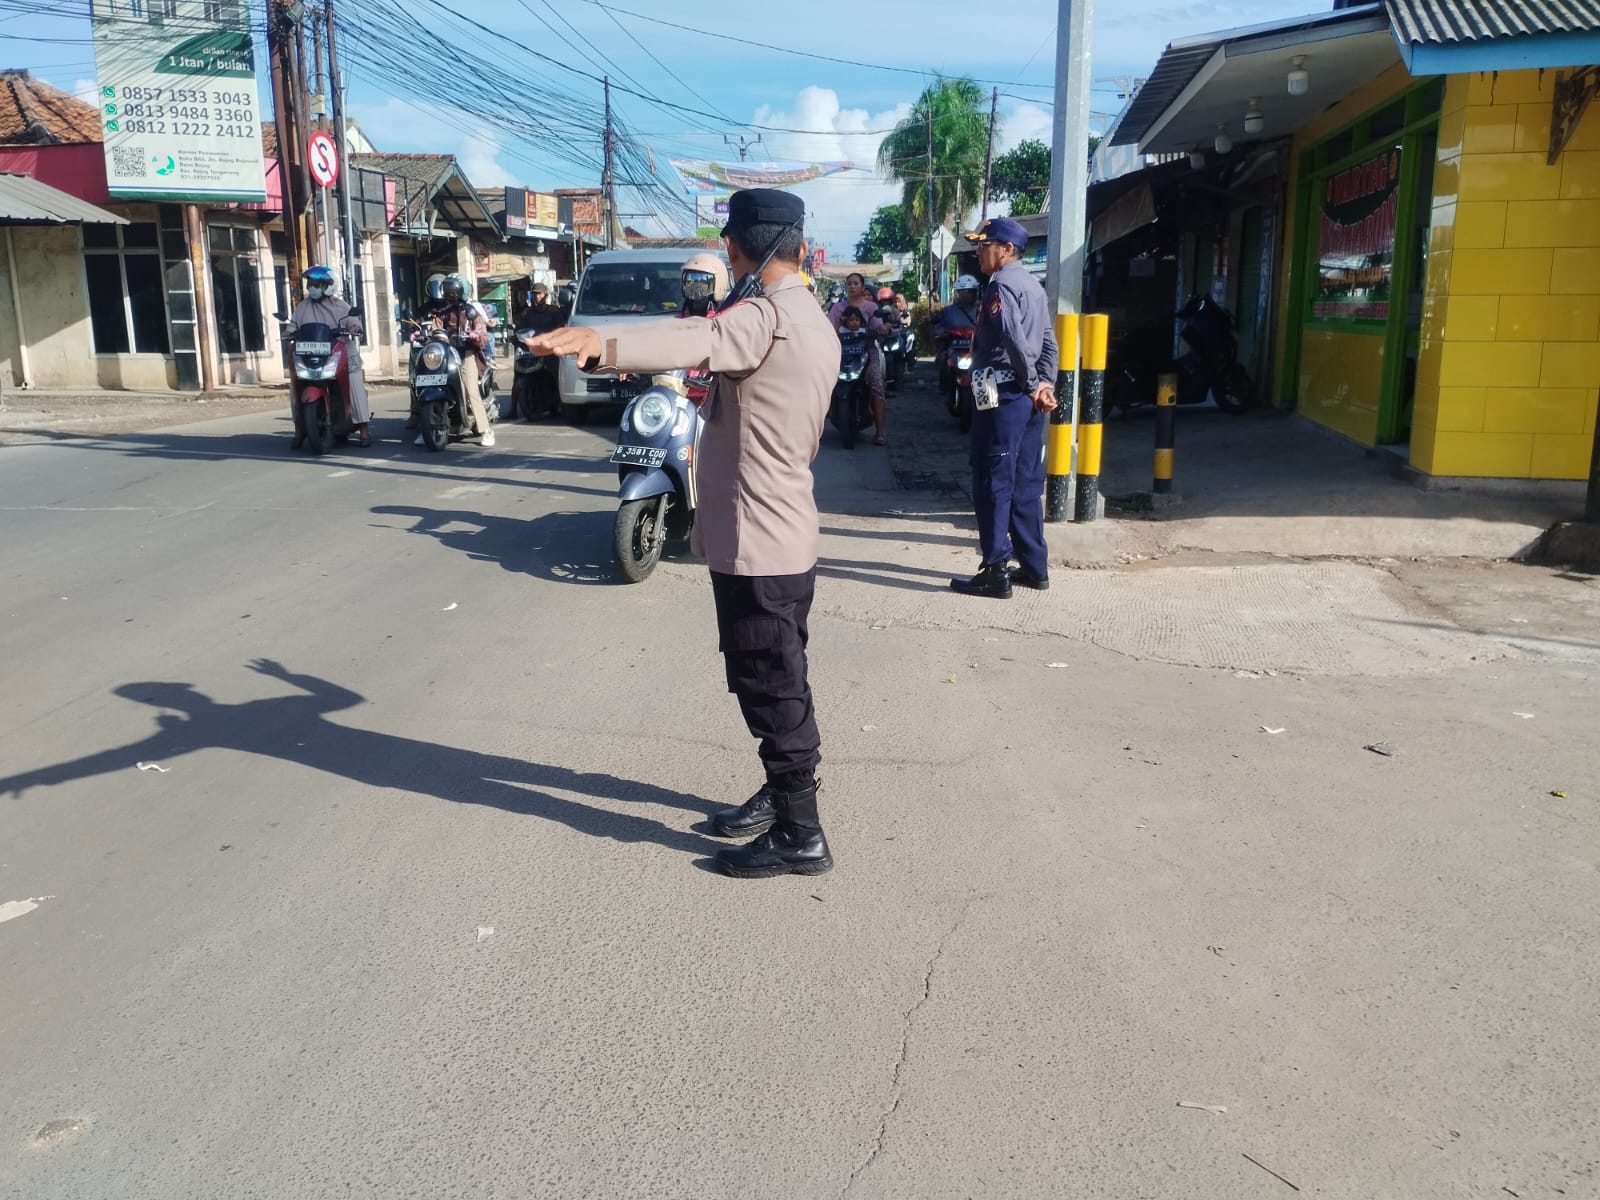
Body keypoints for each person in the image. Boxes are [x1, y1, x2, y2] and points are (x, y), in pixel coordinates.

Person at [529, 189, 839, 879]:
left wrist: (601, 342)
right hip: (787, 530)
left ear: (741, 249)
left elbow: (699, 337)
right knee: (780, 678)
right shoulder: (813, 317)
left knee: (770, 686)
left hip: (759, 539)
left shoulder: (764, 318)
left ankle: (801, 835)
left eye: (728, 247)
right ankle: (783, 795)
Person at [951, 216, 1058, 600]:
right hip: (1025, 397)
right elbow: (1048, 342)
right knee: (1025, 482)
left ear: (1006, 250)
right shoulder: (1033, 285)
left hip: (1004, 393)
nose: (979, 253)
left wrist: (1032, 385)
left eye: (985, 245)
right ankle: (1034, 566)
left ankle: (995, 570)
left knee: (993, 479)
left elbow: (1014, 338)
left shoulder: (1001, 286)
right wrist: (1046, 385)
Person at [289, 265, 371, 448]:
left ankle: (364, 429)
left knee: (355, 384)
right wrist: (288, 332)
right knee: (294, 387)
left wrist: (354, 327)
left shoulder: (341, 306)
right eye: (310, 283)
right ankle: (299, 428)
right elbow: (293, 325)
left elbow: (353, 321)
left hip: (339, 353)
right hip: (310, 356)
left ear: (328, 286)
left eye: (316, 283)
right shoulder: (302, 307)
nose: (312, 287)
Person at [412, 274, 494, 447]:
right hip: (446, 354)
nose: (451, 294)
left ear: (462, 291)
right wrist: (422, 335)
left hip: (466, 354)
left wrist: (476, 335)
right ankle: (424, 427)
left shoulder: (472, 312)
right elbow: (435, 329)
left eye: (454, 291)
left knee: (471, 389)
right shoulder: (442, 312)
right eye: (448, 291)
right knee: (423, 384)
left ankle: (486, 430)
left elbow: (482, 334)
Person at [828, 272, 887, 445]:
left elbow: (879, 328)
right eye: (849, 283)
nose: (852, 286)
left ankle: (880, 431)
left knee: (877, 383)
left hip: (866, 354)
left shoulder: (870, 308)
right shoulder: (837, 308)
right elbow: (830, 329)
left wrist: (882, 330)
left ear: (862, 287)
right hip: (841, 355)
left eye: (856, 283)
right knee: (824, 380)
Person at [935, 273, 983, 393]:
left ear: (975, 292)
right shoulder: (949, 311)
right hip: (955, 348)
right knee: (944, 362)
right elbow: (939, 326)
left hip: (977, 348)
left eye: (968, 291)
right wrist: (940, 332)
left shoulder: (983, 309)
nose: (965, 295)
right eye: (962, 292)